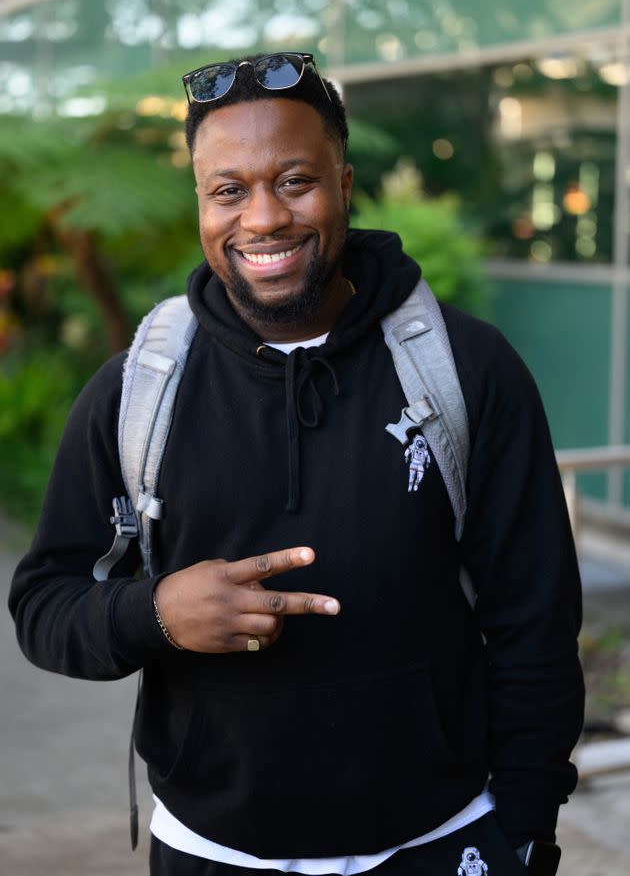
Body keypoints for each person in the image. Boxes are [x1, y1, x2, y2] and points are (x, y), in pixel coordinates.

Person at [9, 51, 584, 876]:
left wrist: (524, 831)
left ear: (345, 185)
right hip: (210, 849)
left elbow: (534, 619)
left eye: (294, 179)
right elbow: (43, 606)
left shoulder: (466, 368)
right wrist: (158, 614)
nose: (264, 218)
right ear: (203, 204)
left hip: (435, 839)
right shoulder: (139, 385)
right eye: (229, 190)